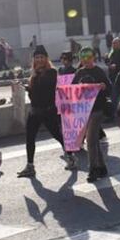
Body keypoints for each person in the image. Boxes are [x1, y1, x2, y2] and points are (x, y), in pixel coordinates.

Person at [18, 45, 75, 177]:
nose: (39, 60)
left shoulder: (52, 72)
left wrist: (36, 77)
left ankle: (71, 157)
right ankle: (30, 166)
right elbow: (34, 95)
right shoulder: (34, 74)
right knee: (30, 138)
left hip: (48, 111)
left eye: (42, 57)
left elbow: (46, 89)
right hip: (34, 111)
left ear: (46, 58)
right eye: (37, 57)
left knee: (57, 135)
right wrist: (26, 88)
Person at [72, 46, 112, 182]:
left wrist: (103, 86)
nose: (86, 60)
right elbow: (71, 90)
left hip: (97, 110)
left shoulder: (98, 71)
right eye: (83, 57)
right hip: (84, 111)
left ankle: (93, 169)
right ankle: (102, 167)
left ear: (93, 58)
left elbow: (109, 87)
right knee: (93, 139)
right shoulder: (79, 73)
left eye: (88, 57)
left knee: (90, 140)